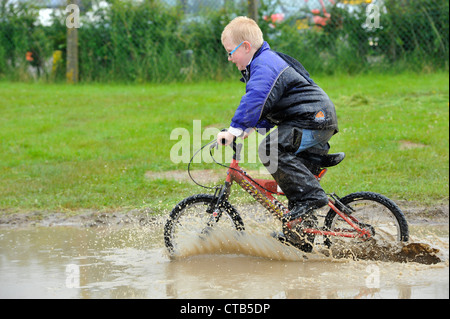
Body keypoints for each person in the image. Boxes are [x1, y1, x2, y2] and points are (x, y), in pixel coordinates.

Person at [216, 16, 338, 247]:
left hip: (312, 119)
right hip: (312, 118)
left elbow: (256, 98)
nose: (230, 58)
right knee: (295, 186)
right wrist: (248, 129)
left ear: (246, 47)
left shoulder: (264, 65)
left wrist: (234, 129)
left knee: (271, 149)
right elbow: (271, 103)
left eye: (230, 52)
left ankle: (313, 198)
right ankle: (301, 239)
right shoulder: (264, 62)